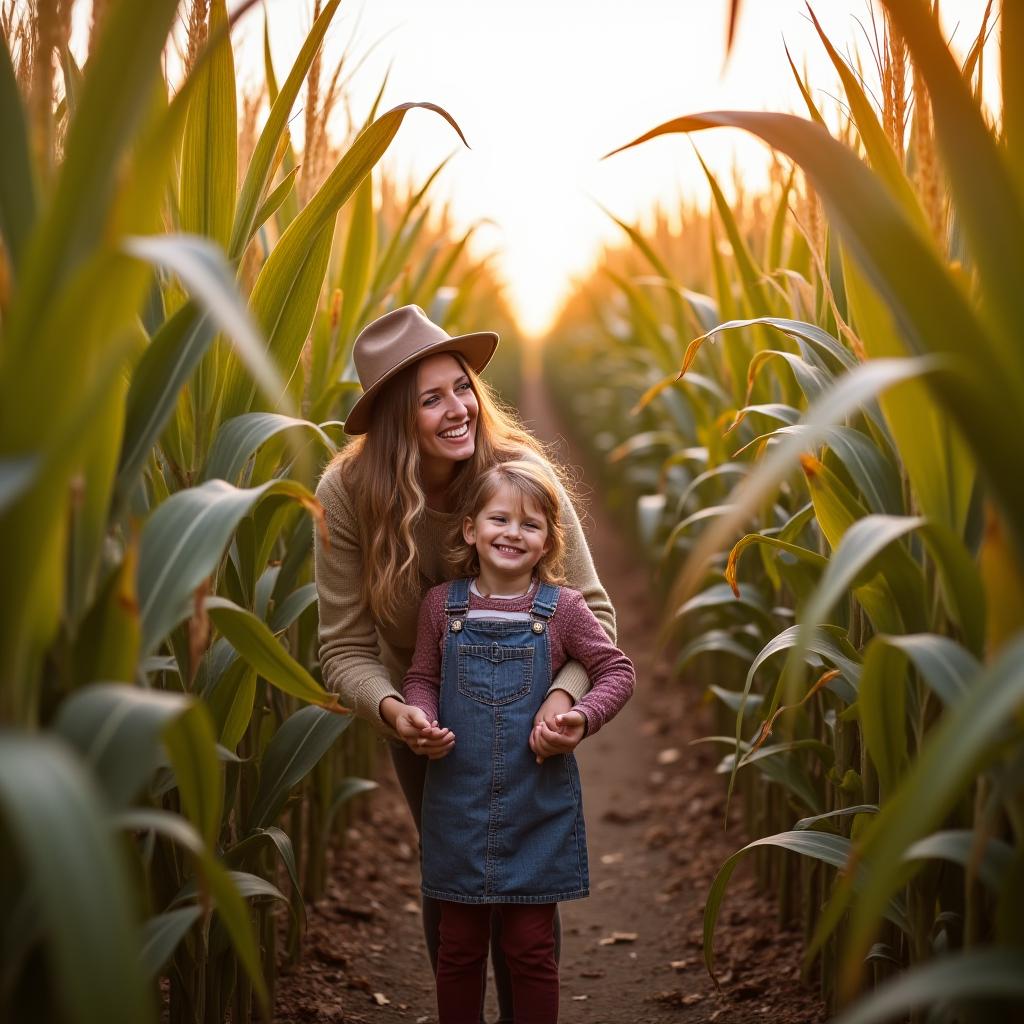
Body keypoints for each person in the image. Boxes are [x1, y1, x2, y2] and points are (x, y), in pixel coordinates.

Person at [312, 304, 618, 1023]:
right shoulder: (347, 496)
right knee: (451, 883)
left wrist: (566, 701)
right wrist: (396, 711)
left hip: (529, 719)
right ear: (395, 418)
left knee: (525, 888)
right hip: (429, 725)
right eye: (431, 398)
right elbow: (345, 648)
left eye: (462, 388)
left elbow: (594, 619)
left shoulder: (520, 479)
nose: (459, 409)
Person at [397, 460, 635, 1024]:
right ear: (469, 529)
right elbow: (421, 678)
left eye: (530, 525)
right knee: (458, 947)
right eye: (498, 518)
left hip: (536, 803)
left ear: (551, 540)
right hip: (457, 799)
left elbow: (616, 669)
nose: (512, 532)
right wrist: (422, 717)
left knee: (530, 946)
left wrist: (580, 714)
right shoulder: (442, 606)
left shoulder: (563, 609)